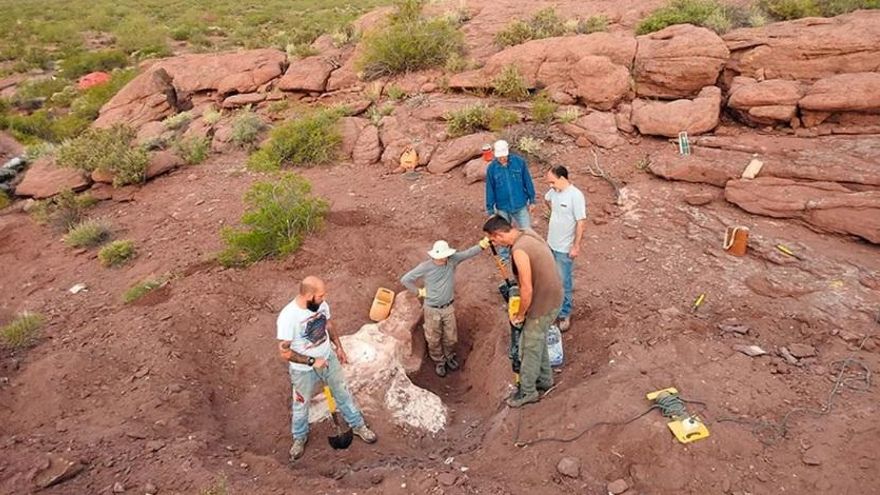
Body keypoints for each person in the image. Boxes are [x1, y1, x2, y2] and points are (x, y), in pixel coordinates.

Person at [277, 276, 377, 463]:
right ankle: (300, 437)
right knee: (301, 403)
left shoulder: (320, 305)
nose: (324, 299)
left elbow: (328, 324)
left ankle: (357, 425)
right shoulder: (288, 317)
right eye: (320, 295)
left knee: (342, 392)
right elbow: (284, 353)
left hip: (328, 358)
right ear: (308, 295)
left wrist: (338, 347)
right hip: (303, 370)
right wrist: (312, 361)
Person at [483, 216, 562, 407]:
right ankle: (545, 380)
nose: (495, 244)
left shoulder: (519, 251)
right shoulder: (527, 233)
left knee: (529, 347)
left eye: (494, 240)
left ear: (500, 234)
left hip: (542, 304)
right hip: (554, 297)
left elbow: (527, 288)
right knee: (538, 339)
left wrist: (521, 313)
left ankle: (527, 392)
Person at [401, 238, 490, 377]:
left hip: (448, 307)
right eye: (441, 257)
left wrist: (482, 245)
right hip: (432, 309)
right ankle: (439, 361)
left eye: (445, 256)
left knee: (451, 337)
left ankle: (449, 356)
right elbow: (406, 279)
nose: (444, 259)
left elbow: (468, 253)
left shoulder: (452, 260)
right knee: (433, 338)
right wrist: (418, 292)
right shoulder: (425, 267)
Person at [544, 165, 587, 332]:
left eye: (552, 182)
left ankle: (564, 313)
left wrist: (576, 246)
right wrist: (556, 213)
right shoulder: (554, 192)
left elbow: (581, 222)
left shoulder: (575, 196)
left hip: (564, 248)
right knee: (552, 279)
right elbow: (546, 199)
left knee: (564, 281)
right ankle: (553, 307)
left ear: (562, 178)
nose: (550, 186)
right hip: (551, 243)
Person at [485, 140, 536, 261]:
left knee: (527, 230)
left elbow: (527, 181)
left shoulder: (519, 163)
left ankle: (529, 251)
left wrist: (532, 200)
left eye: (504, 155)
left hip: (520, 205)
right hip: (502, 207)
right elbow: (490, 189)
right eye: (499, 156)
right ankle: (504, 256)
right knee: (501, 233)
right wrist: (490, 210)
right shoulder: (492, 169)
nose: (502, 158)